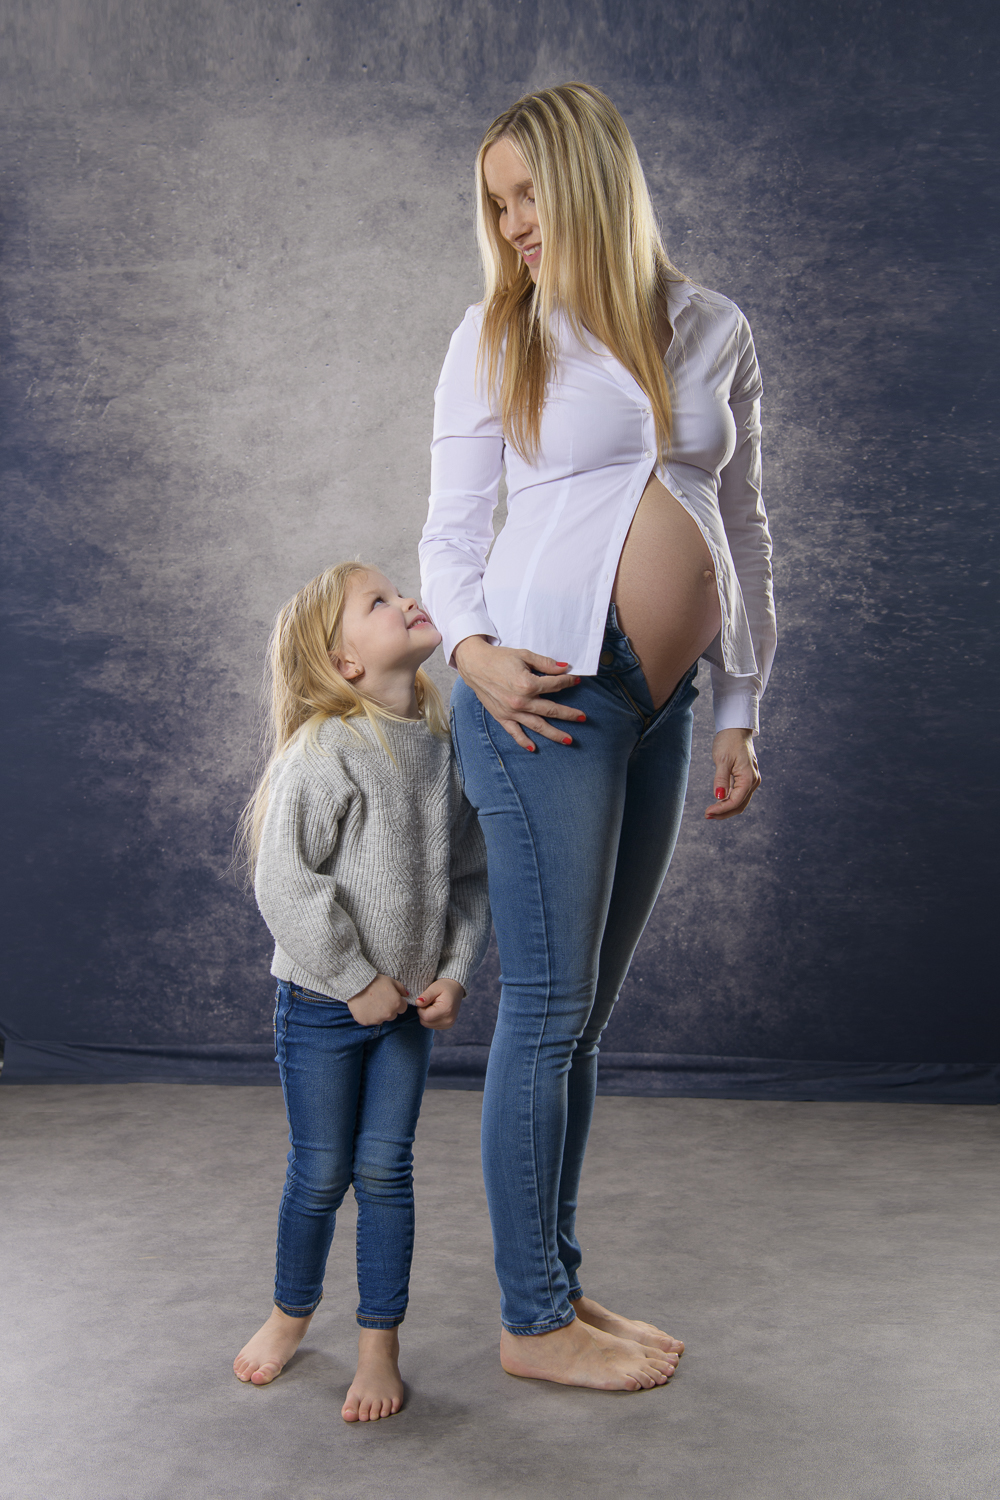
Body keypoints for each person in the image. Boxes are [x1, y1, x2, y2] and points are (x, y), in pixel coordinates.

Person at [419, 82, 776, 1392]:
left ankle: (557, 1286)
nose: (511, 222)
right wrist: (469, 653)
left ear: (593, 180)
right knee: (553, 1007)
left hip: (664, 702)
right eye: (496, 202)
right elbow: (449, 531)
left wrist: (740, 699)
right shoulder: (496, 333)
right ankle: (531, 1321)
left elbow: (741, 526)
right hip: (545, 694)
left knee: (591, 1015)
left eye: (528, 194)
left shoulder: (714, 327)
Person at [232, 563, 490, 1420]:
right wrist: (354, 981)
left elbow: (467, 878)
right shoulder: (328, 747)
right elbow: (285, 884)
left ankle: (379, 1343)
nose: (407, 599)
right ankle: (289, 1313)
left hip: (405, 1016)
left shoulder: (445, 742)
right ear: (345, 663)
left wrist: (451, 972)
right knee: (319, 1173)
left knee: (386, 1172)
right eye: (377, 603)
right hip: (320, 1010)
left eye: (397, 590)